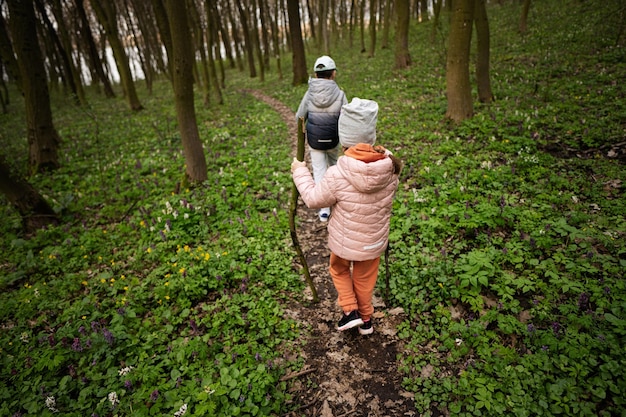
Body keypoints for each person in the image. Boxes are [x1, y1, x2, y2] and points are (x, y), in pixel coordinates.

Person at [291, 98, 401, 335]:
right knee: (365, 280)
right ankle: (367, 320)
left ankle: (350, 311)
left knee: (339, 270)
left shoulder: (338, 173)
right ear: (371, 136)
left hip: (344, 244)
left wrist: (300, 171)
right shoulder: (391, 168)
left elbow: (312, 199)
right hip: (373, 242)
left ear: (345, 138)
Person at [295, 55, 348, 222]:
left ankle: (324, 210)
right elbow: (347, 118)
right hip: (333, 139)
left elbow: (299, 116)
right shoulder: (340, 94)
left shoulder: (309, 94)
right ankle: (338, 204)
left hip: (315, 140)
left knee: (319, 172)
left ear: (316, 75)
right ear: (333, 74)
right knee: (335, 168)